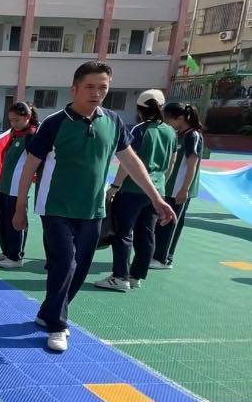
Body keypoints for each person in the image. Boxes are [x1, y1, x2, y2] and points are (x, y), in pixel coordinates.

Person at [13, 61, 176, 353]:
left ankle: (48, 312)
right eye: (89, 87)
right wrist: (20, 205)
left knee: (80, 268)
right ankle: (58, 324)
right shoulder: (55, 123)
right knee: (65, 263)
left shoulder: (113, 122)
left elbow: (131, 162)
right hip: (55, 208)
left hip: (93, 210)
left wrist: (156, 198)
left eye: (103, 87)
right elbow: (30, 167)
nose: (96, 93)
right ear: (74, 89)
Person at [95, 90, 176, 292]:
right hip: (156, 190)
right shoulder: (170, 131)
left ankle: (119, 276)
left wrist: (115, 186)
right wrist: (159, 186)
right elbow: (171, 162)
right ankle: (136, 276)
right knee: (146, 233)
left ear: (139, 109)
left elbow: (129, 162)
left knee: (123, 232)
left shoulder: (139, 130)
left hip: (132, 189)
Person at [152, 102, 204, 270]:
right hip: (169, 188)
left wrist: (184, 189)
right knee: (162, 222)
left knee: (172, 223)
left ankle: (164, 259)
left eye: (168, 119)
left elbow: (192, 164)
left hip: (179, 190)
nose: (166, 123)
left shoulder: (192, 136)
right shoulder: (178, 134)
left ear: (181, 118)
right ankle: (156, 255)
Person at [0, 102, 38, 269]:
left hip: (18, 188)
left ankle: (16, 256)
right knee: (2, 220)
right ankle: (6, 251)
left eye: (17, 120)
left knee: (16, 221)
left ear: (28, 117)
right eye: (11, 120)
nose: (13, 123)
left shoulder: (31, 136)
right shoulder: (15, 134)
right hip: (5, 185)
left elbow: (37, 161)